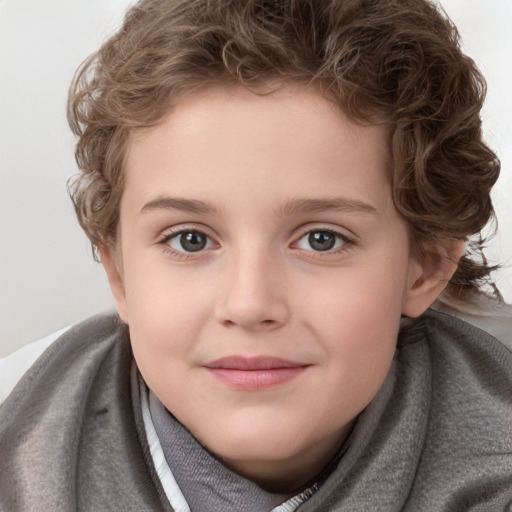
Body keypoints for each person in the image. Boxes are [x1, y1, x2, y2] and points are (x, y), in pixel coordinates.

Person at [1, 0, 511, 510]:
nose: (248, 304)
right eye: (190, 239)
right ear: (119, 273)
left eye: (321, 239)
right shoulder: (17, 436)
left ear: (426, 265)